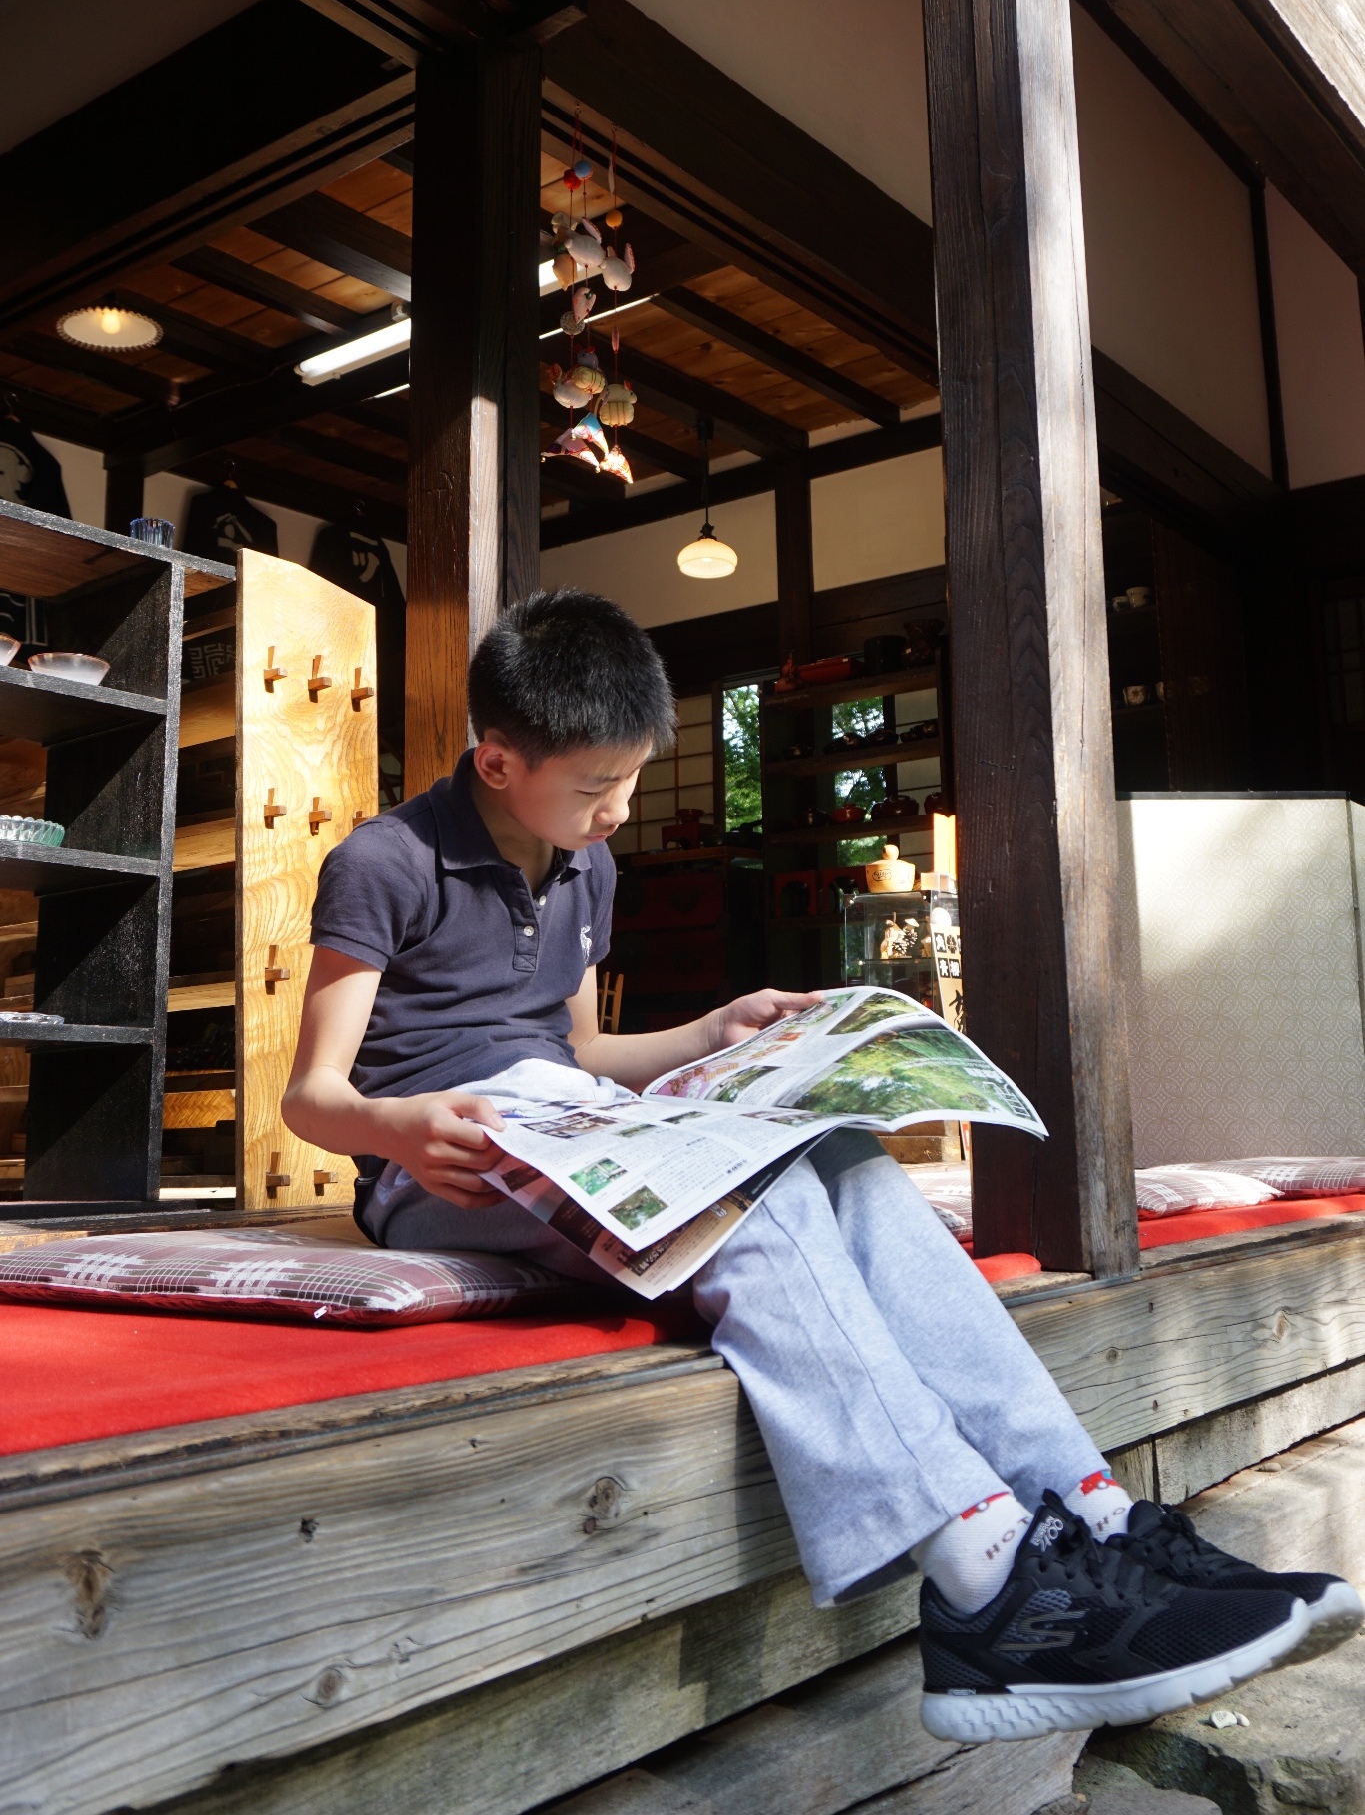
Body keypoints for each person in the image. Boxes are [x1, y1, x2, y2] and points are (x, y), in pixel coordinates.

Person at [283, 588, 1360, 1744]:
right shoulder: (383, 861)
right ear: (497, 759)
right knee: (740, 1200)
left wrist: (709, 1036)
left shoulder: (586, 865)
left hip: (576, 1116)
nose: (618, 811)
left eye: (632, 781)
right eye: (596, 789)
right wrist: (397, 1130)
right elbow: (315, 1097)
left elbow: (583, 1048)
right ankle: (982, 1571)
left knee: (836, 1151)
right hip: (447, 1163)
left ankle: (1080, 1504)